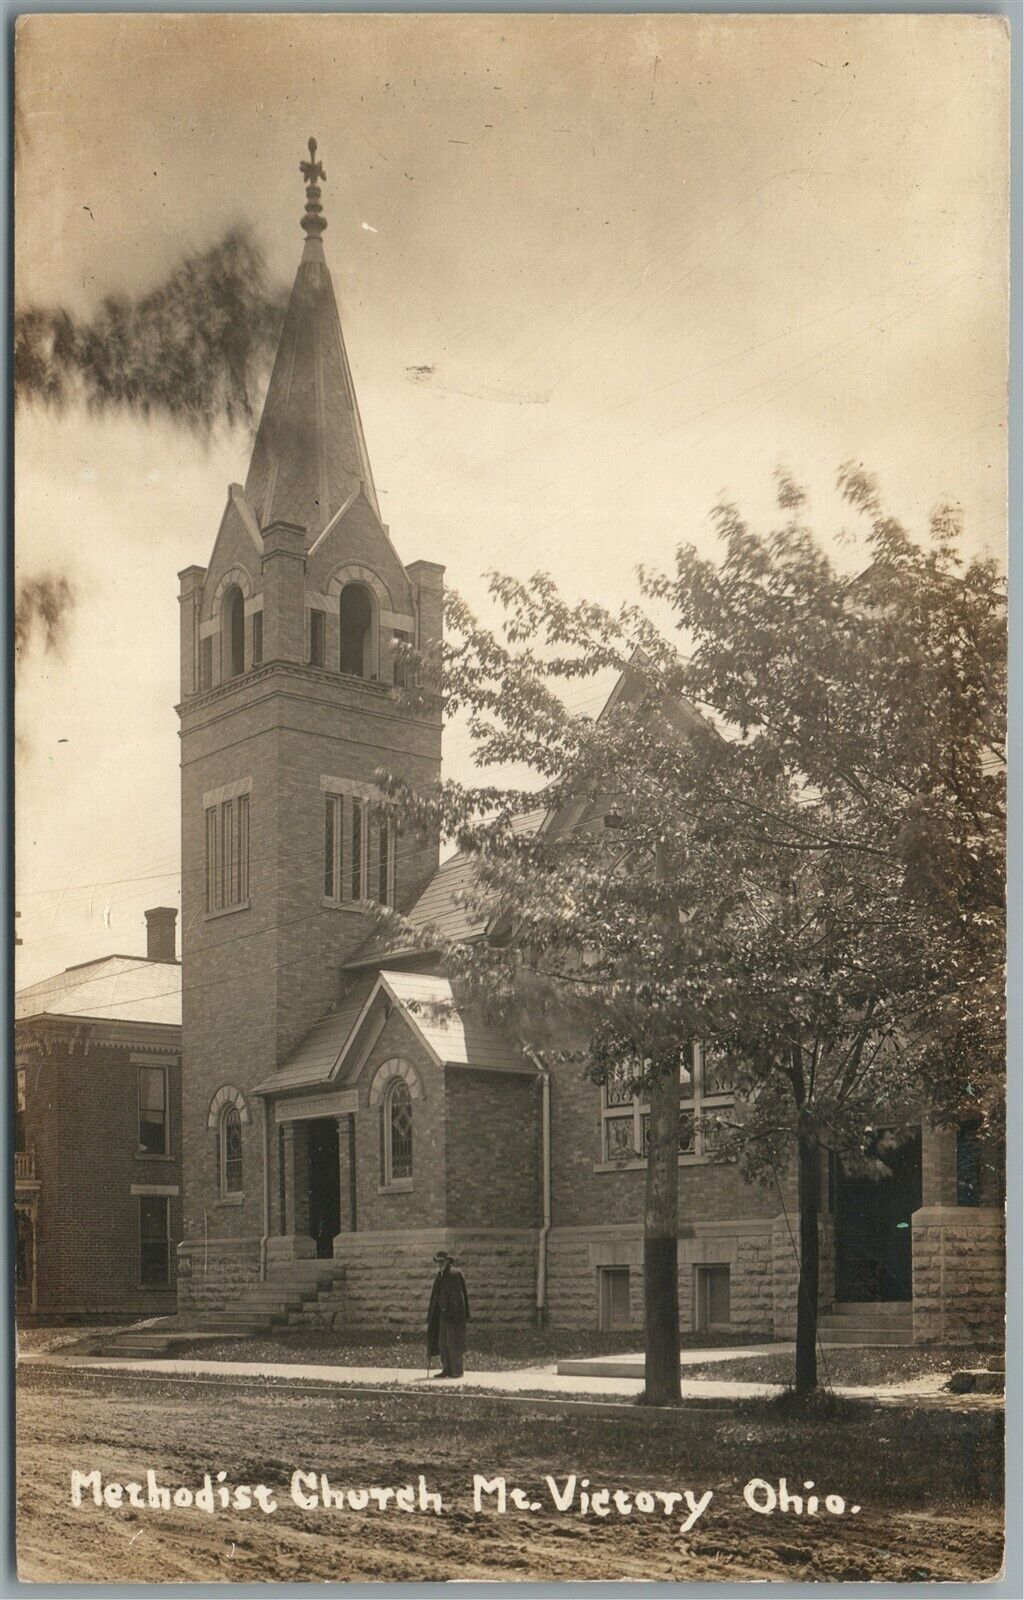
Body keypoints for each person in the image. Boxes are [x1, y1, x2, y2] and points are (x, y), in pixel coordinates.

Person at [426, 1249, 470, 1378]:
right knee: (443, 1343)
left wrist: (453, 1313)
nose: (439, 1264)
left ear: (448, 1261)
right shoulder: (440, 1276)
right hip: (442, 1316)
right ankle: (446, 1369)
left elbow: (459, 1298)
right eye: (437, 1261)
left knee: (453, 1342)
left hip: (453, 1317)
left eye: (442, 1261)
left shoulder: (455, 1275)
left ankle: (457, 1370)